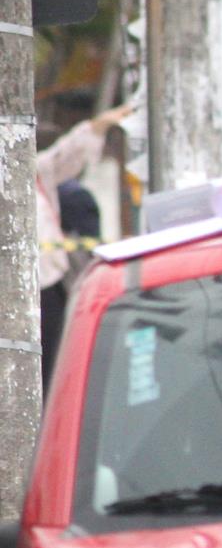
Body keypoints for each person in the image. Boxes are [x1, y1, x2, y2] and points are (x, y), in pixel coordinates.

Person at [38, 102, 132, 379]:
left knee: (51, 362)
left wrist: (97, 127)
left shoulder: (32, 173)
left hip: (48, 283)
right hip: (23, 291)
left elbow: (62, 157)